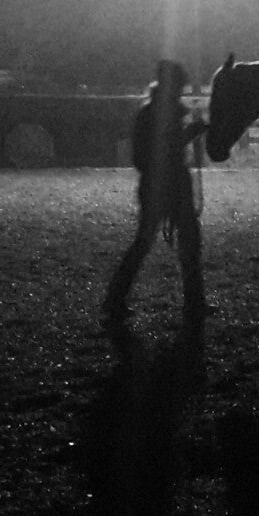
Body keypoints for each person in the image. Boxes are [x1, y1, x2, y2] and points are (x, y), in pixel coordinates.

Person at [103, 60, 207, 324]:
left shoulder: (152, 111)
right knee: (177, 241)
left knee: (155, 241)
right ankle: (193, 302)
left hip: (158, 184)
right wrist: (190, 134)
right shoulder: (159, 113)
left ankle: (116, 297)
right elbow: (165, 150)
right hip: (166, 184)